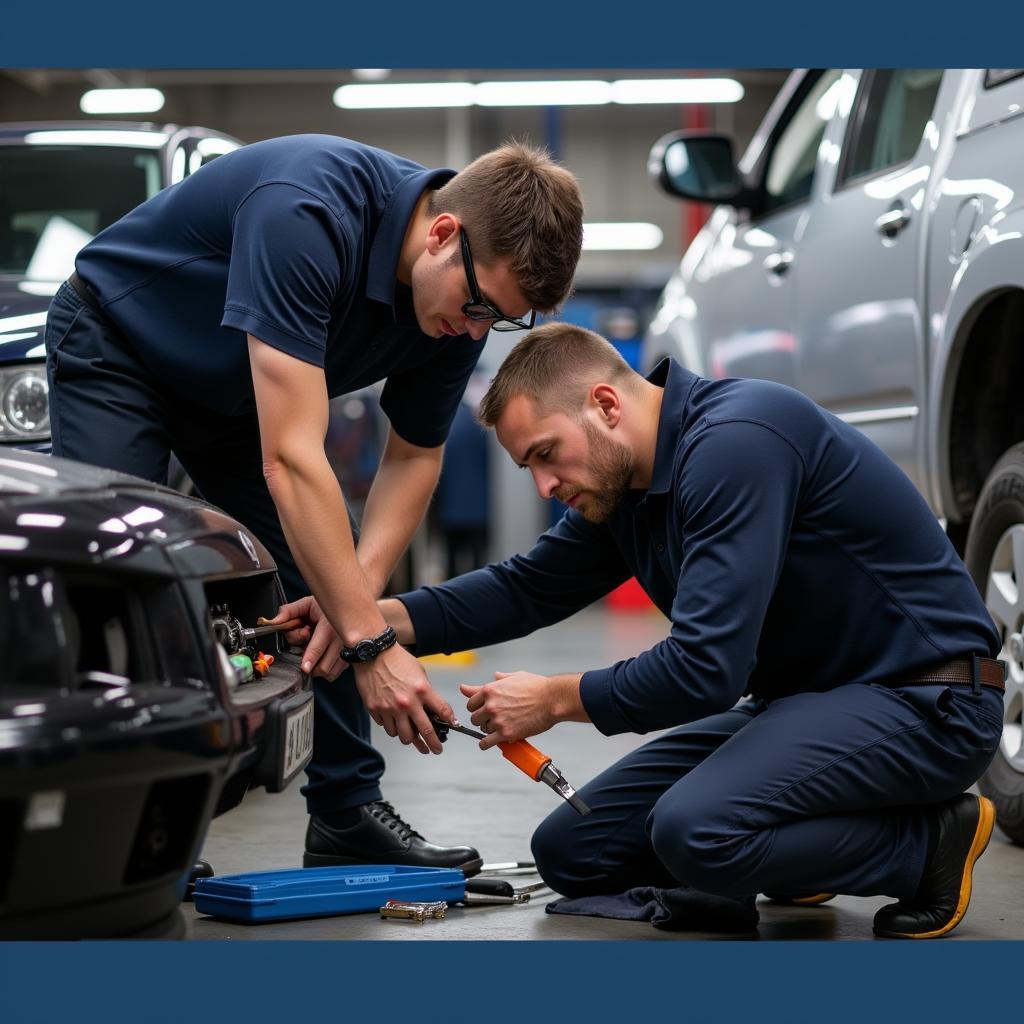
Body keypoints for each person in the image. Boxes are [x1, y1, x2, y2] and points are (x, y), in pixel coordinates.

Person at [277, 321, 1004, 937]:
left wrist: (558, 698)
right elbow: (524, 587)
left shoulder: (737, 443)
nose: (545, 487)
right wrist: (364, 620)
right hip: (810, 708)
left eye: (544, 455)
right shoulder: (625, 491)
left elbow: (705, 670)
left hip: (924, 703)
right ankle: (798, 851)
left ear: (604, 405)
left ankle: (924, 846)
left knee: (695, 832)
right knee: (574, 850)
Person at [44, 136, 583, 874]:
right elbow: (292, 458)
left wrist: (348, 602)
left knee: (324, 572)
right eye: (480, 306)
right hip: (121, 345)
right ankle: (104, 822)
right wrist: (369, 642)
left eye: (502, 320)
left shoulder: (459, 304)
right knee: (119, 567)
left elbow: (415, 455)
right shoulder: (308, 209)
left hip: (234, 395)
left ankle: (344, 811)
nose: (477, 330)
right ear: (443, 234)